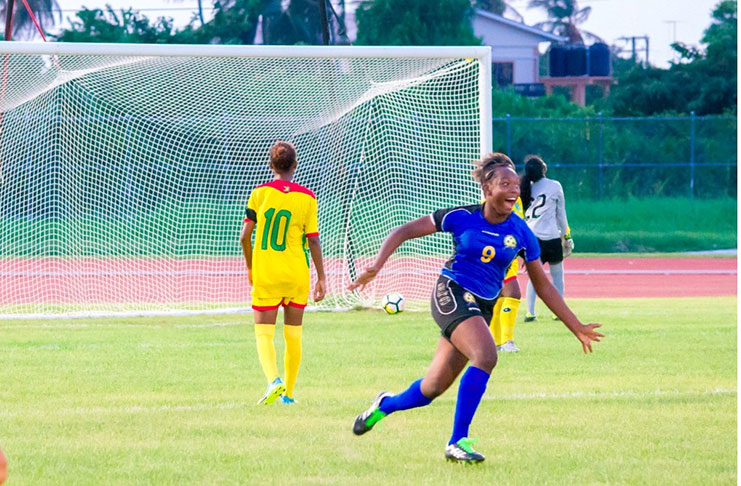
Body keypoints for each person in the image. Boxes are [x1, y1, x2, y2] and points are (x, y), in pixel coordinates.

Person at [349, 153, 603, 463]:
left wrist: (575, 325)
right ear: (487, 188)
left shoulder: (521, 232)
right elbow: (404, 231)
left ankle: (384, 405)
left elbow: (544, 285)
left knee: (432, 389)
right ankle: (458, 441)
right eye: (504, 183)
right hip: (451, 292)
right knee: (486, 354)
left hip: (481, 307)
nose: (513, 189)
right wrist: (376, 266)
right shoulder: (461, 216)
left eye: (516, 184)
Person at [240, 141, 327, 405]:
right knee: (293, 333)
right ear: (295, 165)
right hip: (296, 274)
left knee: (264, 332)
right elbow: (313, 240)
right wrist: (322, 277)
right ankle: (288, 394)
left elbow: (245, 236)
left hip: (267, 271)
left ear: (271, 165)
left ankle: (273, 380)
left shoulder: (260, 193)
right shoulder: (307, 197)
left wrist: (250, 266)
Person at [521, 155, 573, 322]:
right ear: (543, 169)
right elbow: (561, 214)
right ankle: (558, 312)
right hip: (551, 236)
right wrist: (566, 236)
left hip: (531, 238)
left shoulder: (524, 188)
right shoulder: (554, 186)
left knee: (535, 277)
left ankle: (530, 312)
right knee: (557, 275)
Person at [485, 154, 525, 353]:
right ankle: (507, 342)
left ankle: (497, 342)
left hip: (512, 251)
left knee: (500, 295)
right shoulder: (494, 197)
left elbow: (519, 223)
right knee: (513, 292)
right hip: (500, 251)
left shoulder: (515, 198)